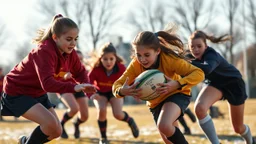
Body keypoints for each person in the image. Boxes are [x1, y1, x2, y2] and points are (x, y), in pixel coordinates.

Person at [0, 14, 96, 144]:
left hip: (36, 93)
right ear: (55, 38)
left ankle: (24, 141)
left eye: (75, 39)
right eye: (69, 39)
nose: (73, 43)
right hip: (17, 91)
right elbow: (48, 84)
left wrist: (87, 86)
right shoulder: (44, 51)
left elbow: (79, 72)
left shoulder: (70, 53)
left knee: (56, 131)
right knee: (50, 124)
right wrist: (73, 87)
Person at [112, 26, 204, 144]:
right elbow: (116, 85)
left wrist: (176, 84)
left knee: (164, 125)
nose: (142, 59)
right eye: (138, 55)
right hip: (155, 103)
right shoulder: (135, 65)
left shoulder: (169, 59)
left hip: (176, 94)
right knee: (168, 140)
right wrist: (122, 91)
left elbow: (199, 73)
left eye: (147, 55)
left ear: (157, 51)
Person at [188, 30, 255, 144]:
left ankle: (251, 141)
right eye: (192, 47)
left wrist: (187, 63)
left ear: (206, 45)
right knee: (199, 108)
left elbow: (208, 68)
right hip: (216, 84)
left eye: (199, 46)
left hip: (234, 84)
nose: (196, 49)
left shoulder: (211, 55)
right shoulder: (189, 56)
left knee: (238, 128)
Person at [89, 42, 139, 144]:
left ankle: (130, 121)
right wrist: (91, 94)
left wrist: (136, 92)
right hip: (100, 93)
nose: (108, 62)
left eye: (111, 58)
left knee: (118, 114)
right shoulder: (96, 69)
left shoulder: (121, 68)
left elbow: (130, 80)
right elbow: (87, 82)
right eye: (105, 59)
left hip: (115, 92)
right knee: (101, 110)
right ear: (100, 59)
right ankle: (103, 138)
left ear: (115, 58)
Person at [58, 50, 90, 139]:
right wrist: (64, 75)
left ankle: (76, 124)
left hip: (79, 89)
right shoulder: (63, 65)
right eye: (77, 59)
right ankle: (61, 125)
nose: (79, 61)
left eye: (81, 59)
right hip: (64, 88)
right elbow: (54, 75)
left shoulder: (83, 69)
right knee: (74, 108)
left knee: (85, 116)